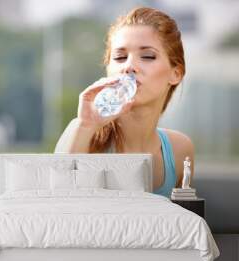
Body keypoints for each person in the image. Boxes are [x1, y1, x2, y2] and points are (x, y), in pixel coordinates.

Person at [54, 7, 194, 197]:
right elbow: (57, 207)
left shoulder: (180, 150)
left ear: (175, 73)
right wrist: (85, 125)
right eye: (120, 57)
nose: (129, 66)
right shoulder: (82, 133)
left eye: (147, 56)